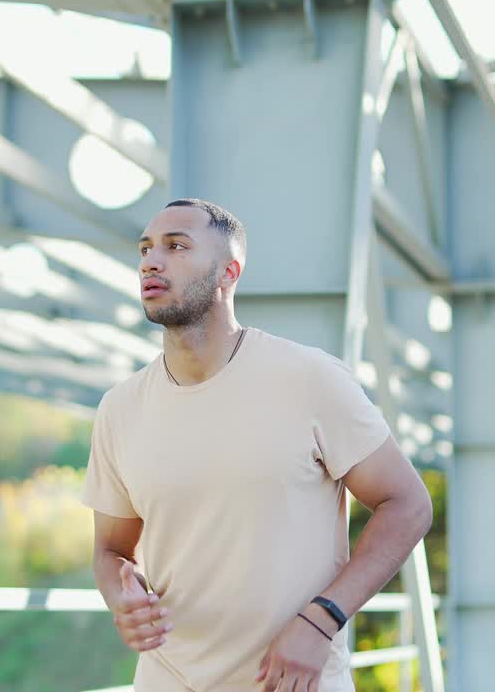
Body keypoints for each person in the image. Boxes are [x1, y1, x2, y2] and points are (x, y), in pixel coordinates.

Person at [83, 198, 433, 692]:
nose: (151, 261)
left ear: (229, 271)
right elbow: (110, 550)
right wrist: (119, 597)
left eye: (176, 246)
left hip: (292, 681)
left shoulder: (309, 378)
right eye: (145, 249)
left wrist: (321, 621)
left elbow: (409, 504)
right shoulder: (120, 408)